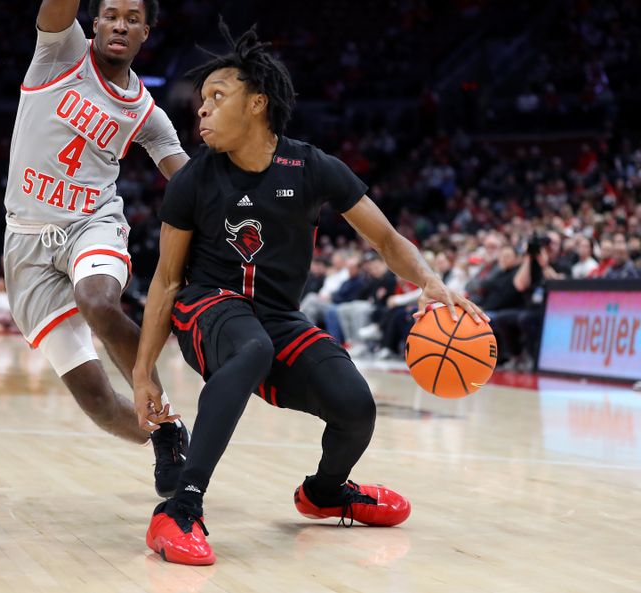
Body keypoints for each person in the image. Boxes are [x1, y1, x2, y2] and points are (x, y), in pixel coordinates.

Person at [132, 24, 488, 565]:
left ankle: (324, 494)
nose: (201, 110)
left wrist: (431, 283)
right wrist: (143, 373)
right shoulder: (193, 180)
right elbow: (166, 282)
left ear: (257, 103)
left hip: (277, 318)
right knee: (250, 346)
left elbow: (387, 240)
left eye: (216, 97)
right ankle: (179, 509)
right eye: (201, 100)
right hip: (208, 308)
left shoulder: (311, 167)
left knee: (355, 404)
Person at [1, 0, 190, 495]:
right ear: (95, 20)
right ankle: (163, 434)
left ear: (145, 31)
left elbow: (189, 184)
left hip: (91, 222)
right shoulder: (61, 53)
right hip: (26, 241)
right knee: (100, 406)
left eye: (132, 18)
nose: (119, 24)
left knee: (98, 300)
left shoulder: (149, 115)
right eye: (110, 14)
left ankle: (158, 407)